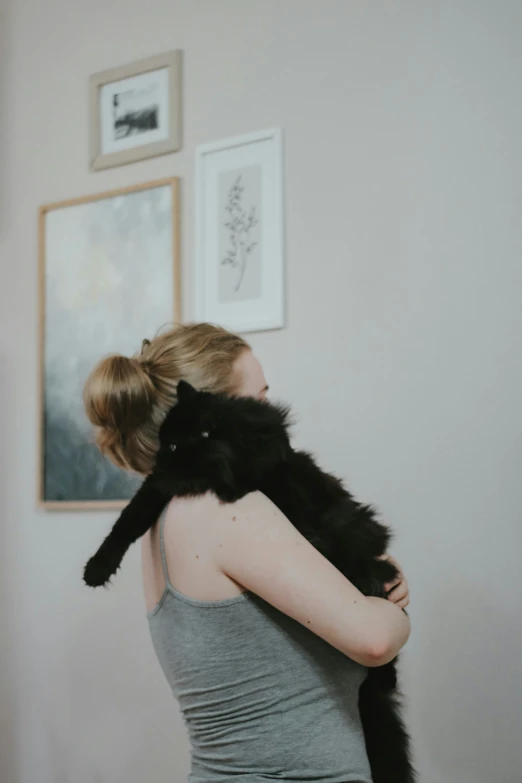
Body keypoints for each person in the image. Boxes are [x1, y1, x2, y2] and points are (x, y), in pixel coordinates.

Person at [84, 322, 410, 783]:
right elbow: (373, 639)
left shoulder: (165, 519)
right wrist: (394, 609)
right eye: (258, 399)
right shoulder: (225, 509)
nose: (271, 413)